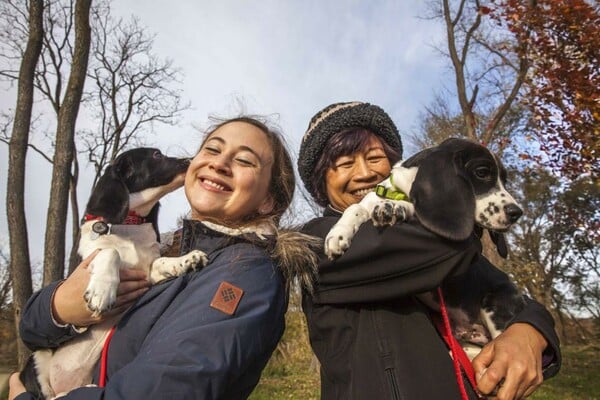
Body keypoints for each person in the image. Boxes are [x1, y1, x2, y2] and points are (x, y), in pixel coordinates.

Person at [9, 116, 317, 400]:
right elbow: (31, 330)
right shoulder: (164, 249)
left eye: (244, 160)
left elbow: (167, 387)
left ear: (267, 201)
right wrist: (60, 307)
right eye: (212, 149)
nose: (220, 164)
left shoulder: (246, 270)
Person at [297, 102, 561, 400]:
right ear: (321, 182)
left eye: (375, 157)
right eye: (345, 164)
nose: (365, 173)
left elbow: (507, 293)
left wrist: (530, 332)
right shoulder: (314, 242)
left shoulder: (430, 224)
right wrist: (461, 212)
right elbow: (432, 249)